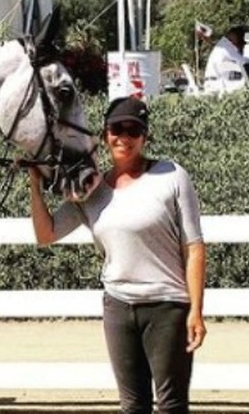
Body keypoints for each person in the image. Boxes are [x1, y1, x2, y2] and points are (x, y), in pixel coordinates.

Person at [25, 97, 206, 414]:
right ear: (105, 135)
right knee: (132, 405)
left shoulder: (172, 176)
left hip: (167, 307)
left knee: (171, 405)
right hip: (118, 308)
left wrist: (196, 311)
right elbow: (46, 235)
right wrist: (35, 187)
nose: (124, 137)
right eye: (116, 129)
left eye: (133, 130)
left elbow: (194, 246)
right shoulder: (90, 189)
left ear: (145, 137)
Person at [203, 24, 249, 93]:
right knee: (247, 85)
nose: (239, 40)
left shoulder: (222, 45)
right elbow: (241, 61)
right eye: (239, 37)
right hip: (216, 83)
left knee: (245, 83)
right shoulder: (226, 46)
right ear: (233, 35)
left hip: (215, 82)